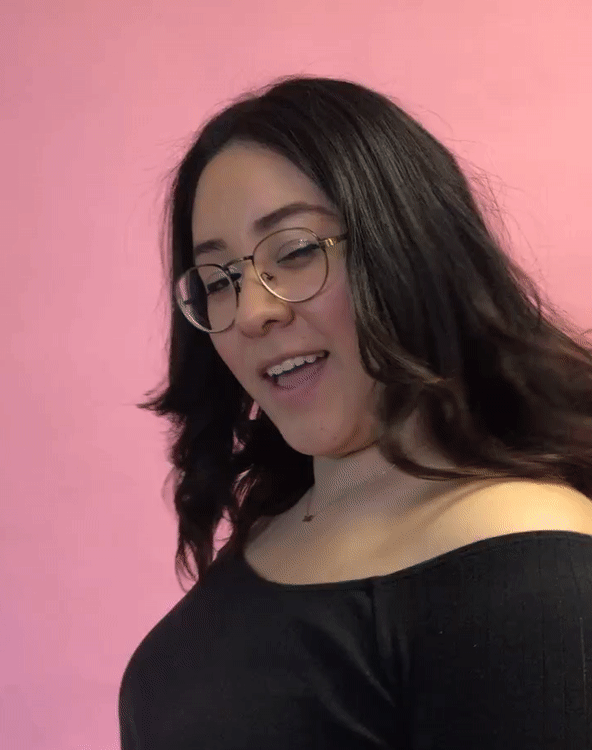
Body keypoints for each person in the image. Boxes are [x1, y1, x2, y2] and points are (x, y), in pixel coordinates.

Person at [118, 75, 592, 749]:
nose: (252, 312)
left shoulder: (535, 580)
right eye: (220, 279)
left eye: (296, 252)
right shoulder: (279, 524)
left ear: (413, 247)